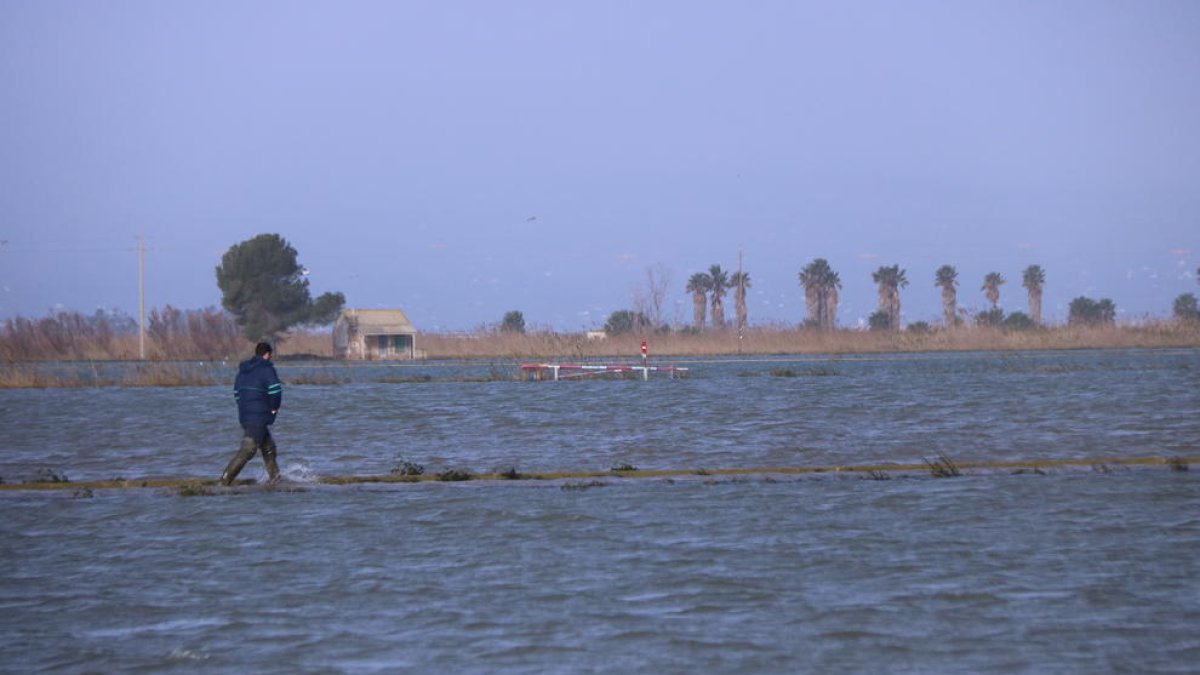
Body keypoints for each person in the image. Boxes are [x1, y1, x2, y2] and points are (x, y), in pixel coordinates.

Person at [221, 342, 283, 485]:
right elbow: (275, 390)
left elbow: (236, 393)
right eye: (270, 355)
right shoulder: (267, 369)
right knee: (248, 449)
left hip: (245, 414)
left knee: (268, 448)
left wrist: (244, 406)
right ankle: (224, 482)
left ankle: (275, 480)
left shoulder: (243, 370)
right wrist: (274, 407)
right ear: (267, 354)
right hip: (259, 415)